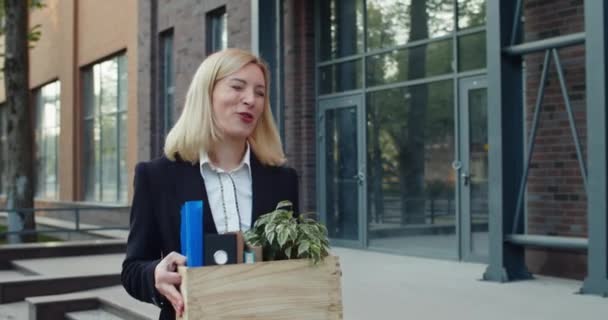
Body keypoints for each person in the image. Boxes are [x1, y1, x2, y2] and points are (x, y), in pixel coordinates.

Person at [121, 48, 299, 319]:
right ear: (207, 95)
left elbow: (292, 262)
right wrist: (155, 274)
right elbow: (133, 269)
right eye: (237, 87)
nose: (251, 100)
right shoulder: (156, 177)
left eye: (260, 93)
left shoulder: (283, 180)